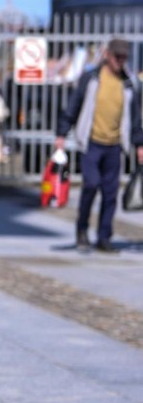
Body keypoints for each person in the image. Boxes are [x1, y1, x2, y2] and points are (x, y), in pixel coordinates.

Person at [55, 37, 143, 253]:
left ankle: (104, 237)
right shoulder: (91, 78)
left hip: (115, 145)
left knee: (110, 193)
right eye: (117, 57)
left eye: (124, 57)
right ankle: (82, 229)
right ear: (107, 55)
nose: (120, 61)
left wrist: (139, 144)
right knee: (91, 184)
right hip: (92, 143)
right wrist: (62, 133)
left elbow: (135, 118)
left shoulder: (130, 84)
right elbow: (74, 105)